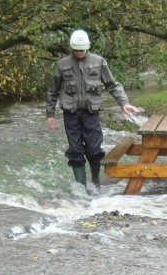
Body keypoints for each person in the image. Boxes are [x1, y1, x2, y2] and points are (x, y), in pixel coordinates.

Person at [46, 29, 139, 189]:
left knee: (94, 150)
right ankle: (81, 189)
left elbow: (112, 84)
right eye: (76, 50)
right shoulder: (62, 64)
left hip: (92, 113)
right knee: (75, 151)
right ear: (71, 48)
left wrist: (123, 103)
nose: (79, 53)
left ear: (87, 47)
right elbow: (52, 91)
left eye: (81, 50)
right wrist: (50, 114)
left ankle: (95, 184)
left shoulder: (99, 61)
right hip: (71, 114)